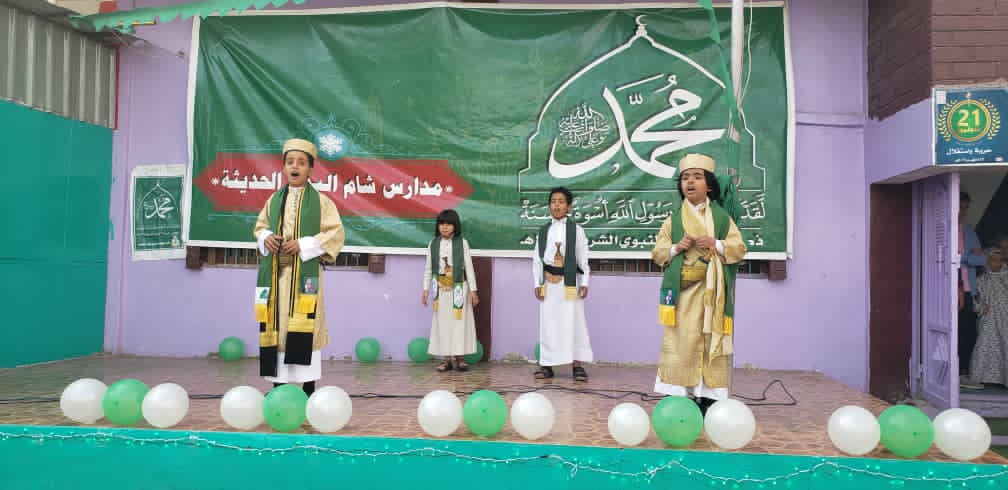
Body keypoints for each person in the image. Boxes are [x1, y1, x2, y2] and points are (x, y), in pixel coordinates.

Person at [650, 153, 746, 414]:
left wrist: (716, 243)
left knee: (710, 340)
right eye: (685, 178)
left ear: (710, 186)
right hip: (684, 292)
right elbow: (658, 253)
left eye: (697, 177)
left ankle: (709, 396)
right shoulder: (673, 220)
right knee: (683, 341)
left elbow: (738, 248)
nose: (690, 182)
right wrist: (675, 248)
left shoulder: (722, 219)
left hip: (714, 293)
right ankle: (678, 394)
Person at [253, 138, 345, 396]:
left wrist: (303, 244)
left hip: (304, 279)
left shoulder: (322, 202)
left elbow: (335, 233)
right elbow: (260, 227)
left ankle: (308, 388)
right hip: (277, 277)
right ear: (283, 167)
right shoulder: (273, 200)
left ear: (311, 169)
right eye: (290, 162)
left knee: (307, 326)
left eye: (302, 163)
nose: (295, 167)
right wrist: (266, 238)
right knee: (278, 327)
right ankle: (278, 387)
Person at [533, 187, 593, 381]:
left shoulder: (577, 230)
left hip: (569, 285)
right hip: (548, 284)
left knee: (574, 323)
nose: (556, 205)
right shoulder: (544, 231)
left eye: (561, 202)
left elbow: (583, 258)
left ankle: (577, 366)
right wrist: (537, 283)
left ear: (569, 206)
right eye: (553, 202)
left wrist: (584, 282)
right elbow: (537, 260)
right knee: (548, 324)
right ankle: (547, 365)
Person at [421, 209, 479, 372]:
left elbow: (468, 267)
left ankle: (460, 358)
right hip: (440, 289)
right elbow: (428, 268)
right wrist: (425, 289)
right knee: (443, 324)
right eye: (442, 224)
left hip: (459, 288)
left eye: (448, 224)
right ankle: (446, 359)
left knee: (459, 323)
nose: (445, 227)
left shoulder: (462, 243)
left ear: (455, 226)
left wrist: (473, 290)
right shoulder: (433, 244)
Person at [969, 248, 1008, 387]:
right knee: (985, 344)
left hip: (1005, 317)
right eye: (993, 260)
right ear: (987, 261)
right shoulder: (981, 279)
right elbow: (976, 297)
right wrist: (980, 307)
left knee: (1005, 343)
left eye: (1000, 260)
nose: (997, 263)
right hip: (989, 318)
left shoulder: (1006, 277)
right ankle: (982, 376)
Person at [958, 192, 986, 379]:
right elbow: (945, 258)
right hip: (950, 289)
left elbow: (982, 259)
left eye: (966, 207)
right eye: (961, 207)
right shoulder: (942, 227)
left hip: (969, 290)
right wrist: (969, 256)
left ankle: (964, 371)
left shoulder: (969, 231)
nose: (963, 211)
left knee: (968, 332)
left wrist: (963, 257)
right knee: (954, 331)